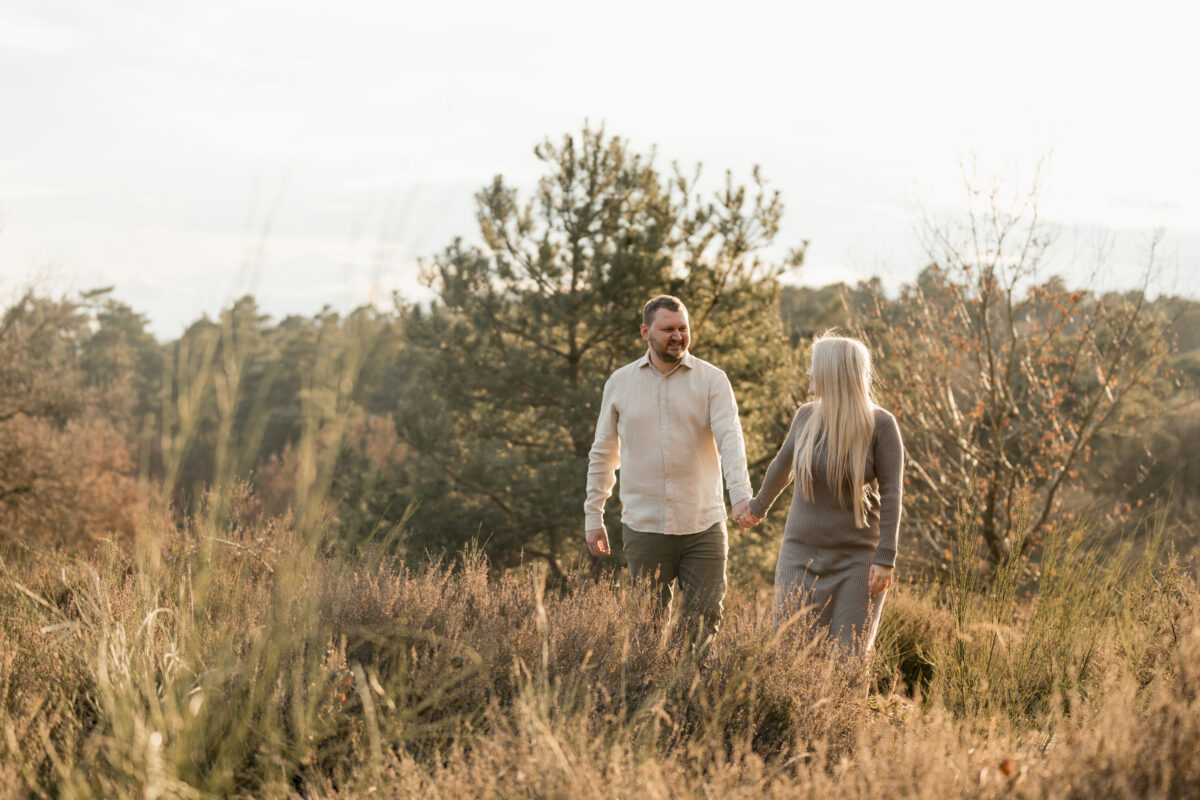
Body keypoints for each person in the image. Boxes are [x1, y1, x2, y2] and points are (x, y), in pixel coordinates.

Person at [584, 295, 754, 635]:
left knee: (705, 621)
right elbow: (603, 453)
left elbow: (730, 439)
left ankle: (693, 689)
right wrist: (593, 515)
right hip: (644, 527)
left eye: (683, 328)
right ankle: (646, 690)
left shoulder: (712, 380)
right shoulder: (620, 383)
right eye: (667, 329)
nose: (677, 336)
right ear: (645, 332)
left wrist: (741, 496)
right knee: (646, 627)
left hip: (703, 524)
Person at [737, 333, 903, 654]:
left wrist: (886, 558)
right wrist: (757, 507)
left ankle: (844, 707)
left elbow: (893, 494)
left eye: (813, 366)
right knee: (791, 652)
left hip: (858, 560)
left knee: (848, 658)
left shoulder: (881, 425)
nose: (808, 373)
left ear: (833, 372)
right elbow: (780, 469)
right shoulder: (806, 416)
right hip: (800, 555)